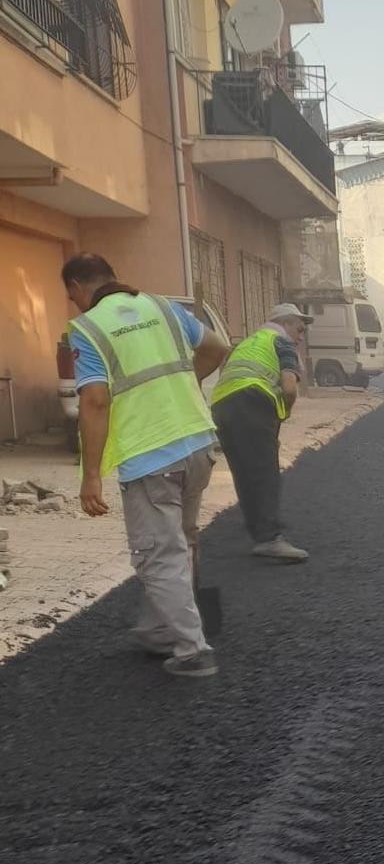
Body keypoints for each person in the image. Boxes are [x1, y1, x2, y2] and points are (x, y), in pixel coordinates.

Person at [64, 253, 229, 678]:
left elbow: (95, 401)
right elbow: (217, 348)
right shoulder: (161, 306)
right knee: (181, 540)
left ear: (78, 289)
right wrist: (183, 386)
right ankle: (162, 631)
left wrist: (91, 476)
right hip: (196, 442)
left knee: (159, 555)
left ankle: (193, 650)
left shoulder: (88, 328)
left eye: (71, 296)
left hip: (150, 455)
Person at [211, 305, 311, 563]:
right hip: (251, 400)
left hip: (222, 406)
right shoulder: (282, 342)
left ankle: (257, 528)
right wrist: (284, 412)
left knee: (244, 472)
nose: (300, 337)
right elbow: (289, 388)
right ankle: (269, 538)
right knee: (265, 472)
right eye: (299, 329)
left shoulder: (249, 342)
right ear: (286, 324)